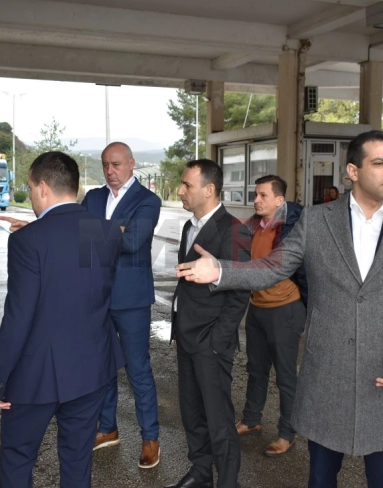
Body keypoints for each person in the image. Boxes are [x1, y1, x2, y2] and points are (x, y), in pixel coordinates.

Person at [177, 130, 383, 488]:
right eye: (379, 163)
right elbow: (273, 267)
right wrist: (222, 271)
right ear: (353, 171)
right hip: (327, 378)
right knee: (320, 479)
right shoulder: (317, 221)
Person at [0, 151, 123, 488]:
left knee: (18, 457)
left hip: (36, 374)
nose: (31, 195)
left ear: (43, 187)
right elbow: (77, 272)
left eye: (30, 188)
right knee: (77, 460)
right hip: (91, 368)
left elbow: (18, 317)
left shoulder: (26, 241)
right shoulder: (106, 232)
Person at [165, 159, 250, 488]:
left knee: (219, 419)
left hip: (211, 342)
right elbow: (187, 284)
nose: (180, 190)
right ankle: (201, 472)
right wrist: (177, 328)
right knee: (191, 412)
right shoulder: (190, 226)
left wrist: (218, 340)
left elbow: (240, 291)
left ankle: (227, 481)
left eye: (187, 185)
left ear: (209, 190)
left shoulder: (234, 229)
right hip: (186, 337)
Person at [82, 142, 161, 468]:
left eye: (116, 164)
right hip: (97, 297)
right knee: (101, 367)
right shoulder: (93, 198)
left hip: (131, 301)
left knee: (137, 370)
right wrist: (116, 228)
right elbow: (80, 238)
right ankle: (108, 429)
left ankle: (150, 437)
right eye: (105, 165)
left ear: (131, 163)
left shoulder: (148, 200)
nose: (110, 171)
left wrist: (96, 230)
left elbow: (131, 243)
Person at [235, 175, 307, 458]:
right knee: (256, 369)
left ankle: (287, 434)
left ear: (279, 200)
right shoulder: (254, 226)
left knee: (285, 377)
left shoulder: (292, 228)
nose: (256, 200)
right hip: (257, 308)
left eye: (263, 195)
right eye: (256, 194)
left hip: (284, 309)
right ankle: (252, 420)